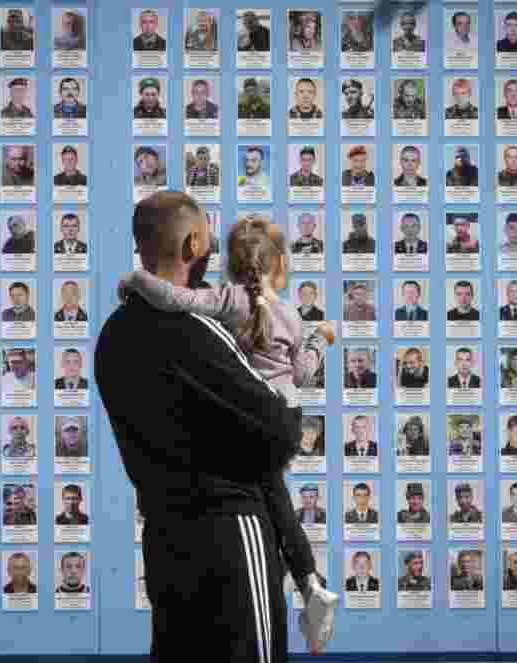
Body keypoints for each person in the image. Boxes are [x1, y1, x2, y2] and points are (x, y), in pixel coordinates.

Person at [99, 192, 336, 656]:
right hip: (232, 531)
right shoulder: (198, 332)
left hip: (165, 537)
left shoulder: (113, 334)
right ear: (192, 243)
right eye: (209, 243)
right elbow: (281, 430)